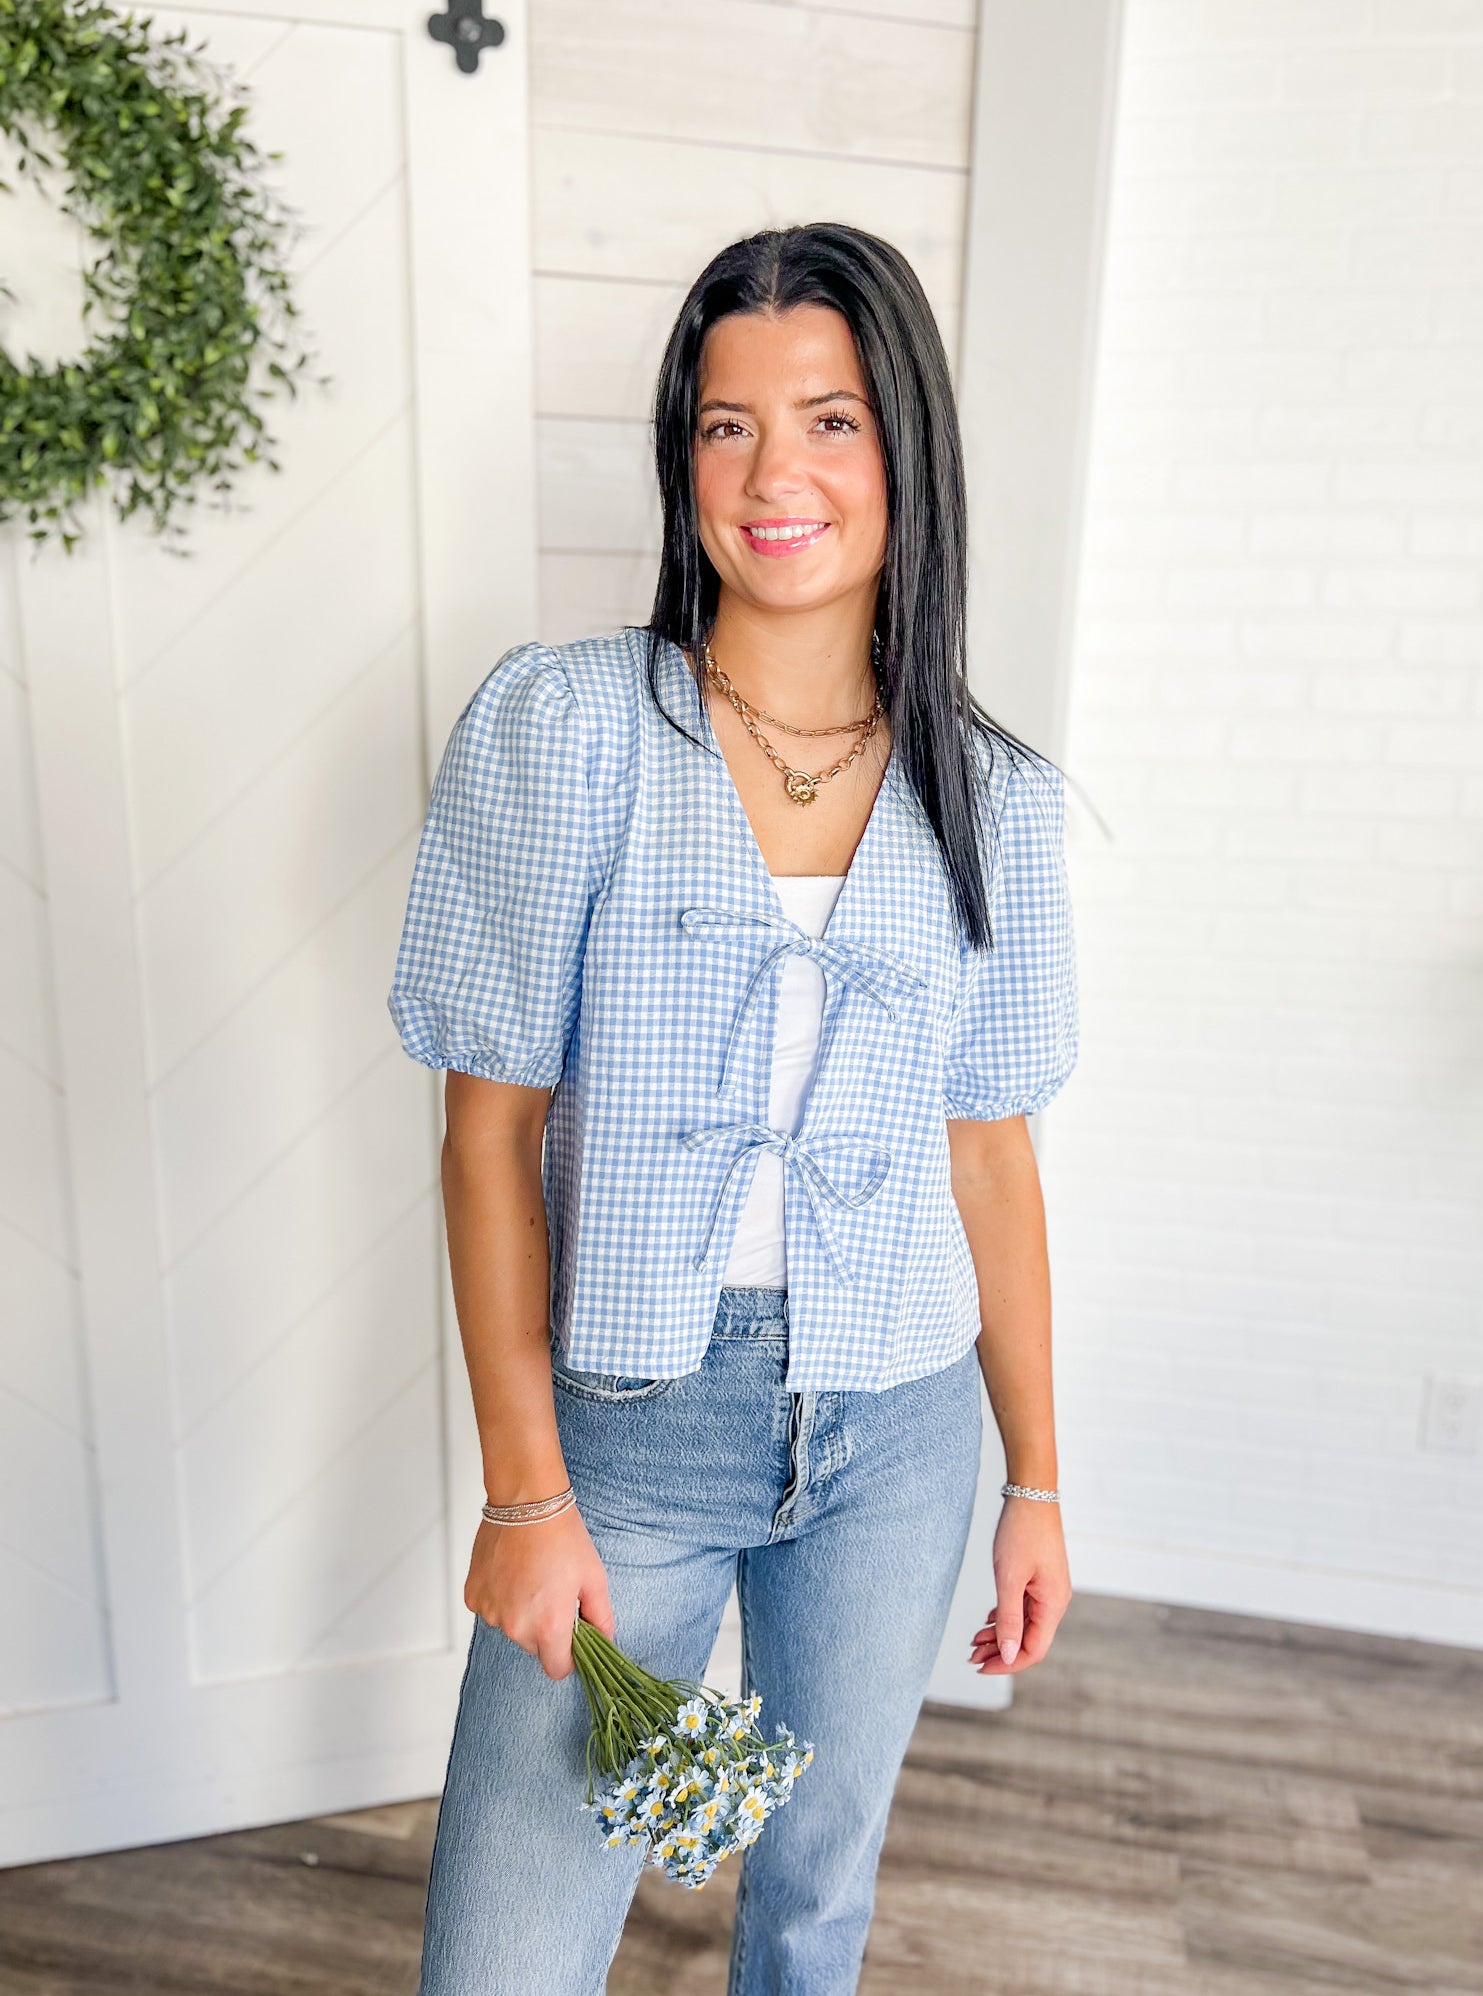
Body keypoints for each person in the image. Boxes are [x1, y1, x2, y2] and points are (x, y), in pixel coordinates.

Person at [388, 221, 1079, 1996]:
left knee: (814, 1901)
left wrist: (1038, 1482)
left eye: (831, 421)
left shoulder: (992, 798)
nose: (775, 474)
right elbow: (487, 1134)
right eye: (724, 425)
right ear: (682, 460)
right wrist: (528, 1496)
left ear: (902, 451)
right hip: (627, 1433)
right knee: (505, 1960)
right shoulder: (568, 732)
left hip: (901, 1431)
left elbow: (989, 1154)